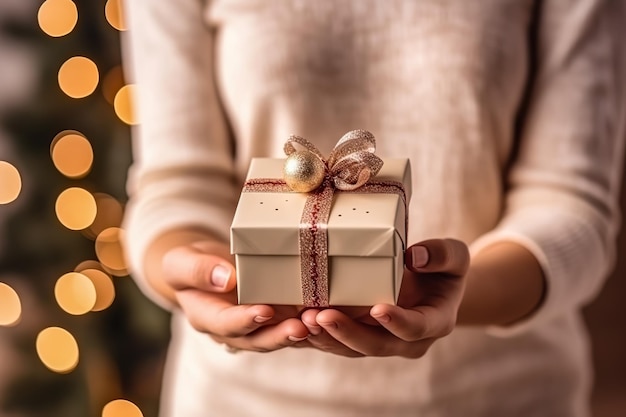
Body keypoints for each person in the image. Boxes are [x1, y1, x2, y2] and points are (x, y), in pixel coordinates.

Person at [121, 0, 626, 416]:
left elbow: (572, 202)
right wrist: (198, 274)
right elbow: (176, 183)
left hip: (505, 394)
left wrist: (457, 294)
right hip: (240, 401)